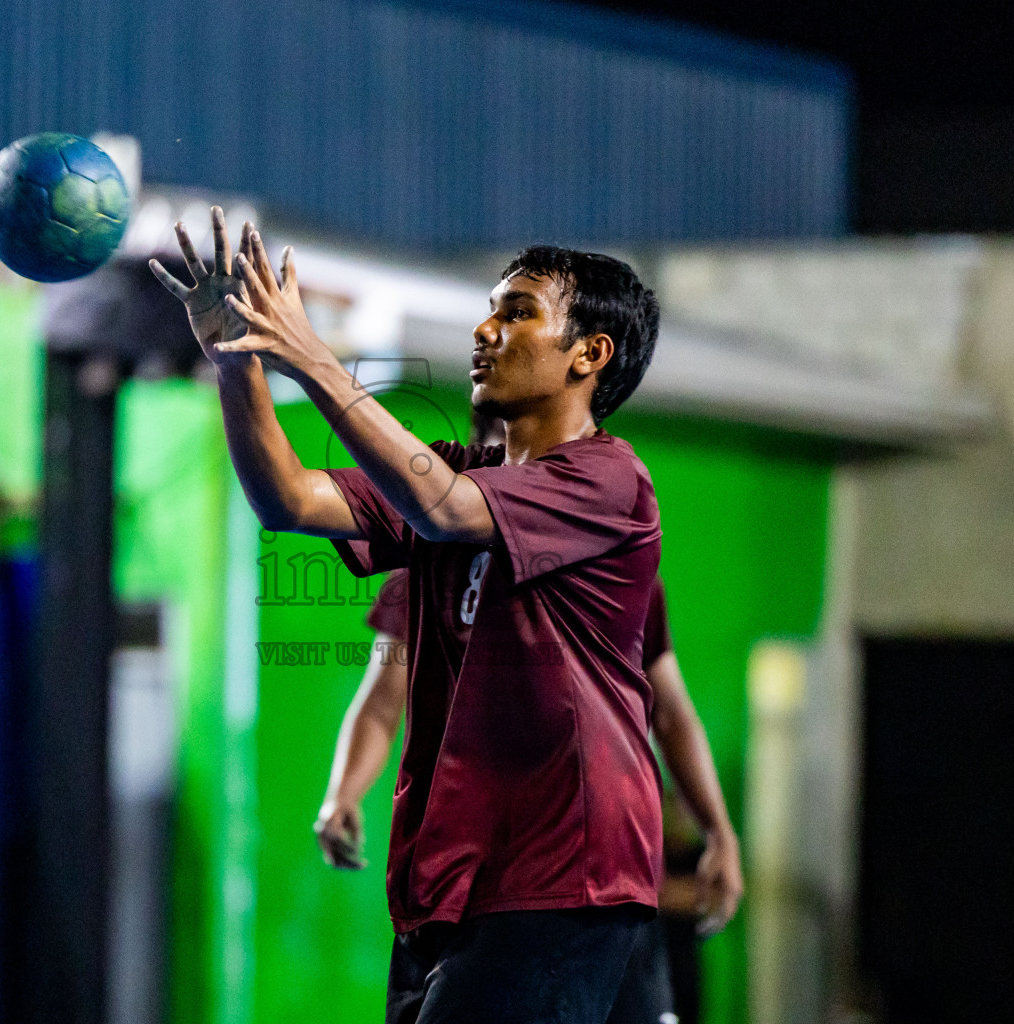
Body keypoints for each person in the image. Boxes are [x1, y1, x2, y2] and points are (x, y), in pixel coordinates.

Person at [152, 207, 670, 1023]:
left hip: (565, 873)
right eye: (492, 306)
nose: (486, 327)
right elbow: (288, 497)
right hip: (452, 879)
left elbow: (443, 507)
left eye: (518, 311)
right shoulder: (464, 472)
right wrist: (237, 361)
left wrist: (310, 354)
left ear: (589, 355)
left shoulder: (610, 482)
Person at [316, 565, 742, 1024]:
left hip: (597, 885)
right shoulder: (424, 562)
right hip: (464, 885)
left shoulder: (614, 553)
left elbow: (672, 712)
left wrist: (718, 831)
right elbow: (381, 700)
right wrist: (342, 793)